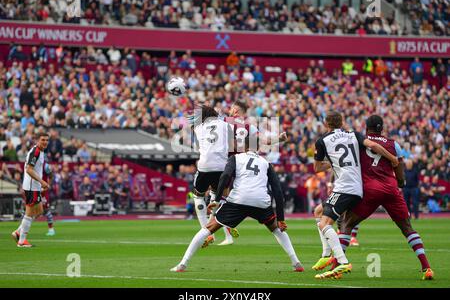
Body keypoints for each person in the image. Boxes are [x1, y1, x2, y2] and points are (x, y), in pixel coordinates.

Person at [170, 140, 304, 273]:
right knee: (276, 230)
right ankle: (296, 262)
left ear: (243, 147)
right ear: (258, 148)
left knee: (208, 228)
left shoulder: (236, 158)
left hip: (238, 200)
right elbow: (278, 191)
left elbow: (225, 176)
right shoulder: (266, 163)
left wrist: (217, 199)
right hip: (261, 202)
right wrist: (281, 218)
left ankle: (183, 264)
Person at [337, 115, 434, 280]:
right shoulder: (393, 143)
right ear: (382, 128)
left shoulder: (360, 141)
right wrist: (401, 183)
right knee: (407, 228)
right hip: (391, 189)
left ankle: (336, 268)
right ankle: (427, 268)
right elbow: (399, 166)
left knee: (346, 223)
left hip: (370, 190)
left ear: (367, 128)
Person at [312, 111, 398, 279]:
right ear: (342, 121)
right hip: (358, 188)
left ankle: (342, 262)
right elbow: (374, 146)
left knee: (324, 224)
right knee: (318, 211)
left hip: (344, 188)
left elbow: (317, 168)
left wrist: (332, 163)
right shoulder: (353, 135)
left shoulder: (322, 141)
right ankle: (325, 256)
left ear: (325, 124)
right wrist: (392, 158)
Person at [190, 105, 238, 246]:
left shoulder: (198, 128)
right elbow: (231, 146)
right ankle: (215, 231)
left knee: (198, 196)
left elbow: (198, 145)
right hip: (222, 166)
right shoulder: (225, 125)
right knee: (219, 197)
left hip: (205, 165)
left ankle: (204, 230)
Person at [11, 132, 50, 247]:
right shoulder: (36, 152)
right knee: (30, 212)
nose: (45, 142)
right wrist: (42, 181)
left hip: (34, 186)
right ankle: (22, 241)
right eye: (43, 140)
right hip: (31, 186)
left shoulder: (40, 151)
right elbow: (29, 169)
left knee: (39, 211)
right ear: (37, 140)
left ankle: (18, 232)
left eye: (47, 140)